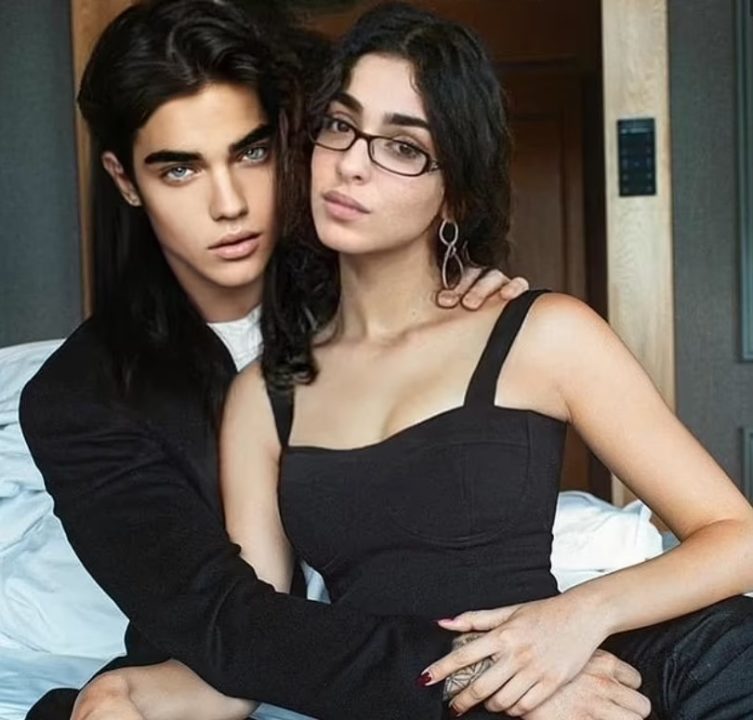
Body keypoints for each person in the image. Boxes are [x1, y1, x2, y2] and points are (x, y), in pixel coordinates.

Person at [66, 2, 753, 720]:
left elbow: (734, 538)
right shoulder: (264, 396)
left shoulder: (541, 333)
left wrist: (577, 616)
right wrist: (126, 692)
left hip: (572, 679)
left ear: (454, 192)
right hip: (418, 699)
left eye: (401, 147)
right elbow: (253, 646)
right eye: (340, 125)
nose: (351, 165)